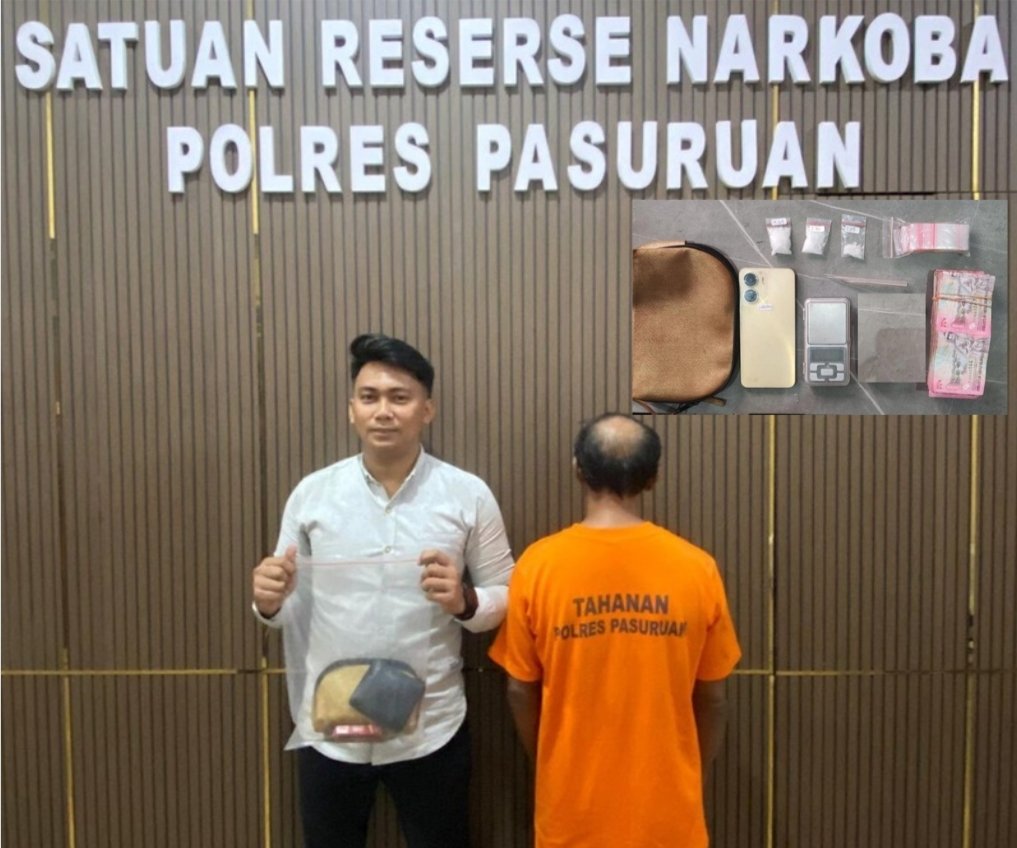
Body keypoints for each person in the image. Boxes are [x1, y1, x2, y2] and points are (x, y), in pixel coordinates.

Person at [252, 333, 514, 848]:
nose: (384, 411)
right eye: (369, 397)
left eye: (400, 397)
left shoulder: (467, 495)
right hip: (331, 727)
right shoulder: (312, 495)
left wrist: (464, 601)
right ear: (351, 409)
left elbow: (506, 594)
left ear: (427, 409)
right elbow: (286, 605)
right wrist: (267, 600)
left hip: (431, 726)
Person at [489, 413, 741, 848]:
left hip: (570, 813)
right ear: (653, 478)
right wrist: (690, 773)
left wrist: (549, 760)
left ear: (577, 469)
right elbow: (713, 699)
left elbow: (519, 690)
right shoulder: (697, 568)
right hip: (669, 815)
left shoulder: (538, 566)